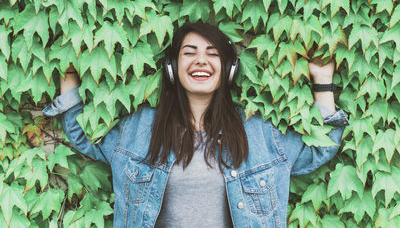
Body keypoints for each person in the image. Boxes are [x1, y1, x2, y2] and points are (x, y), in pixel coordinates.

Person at [43, 22, 349, 228]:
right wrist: (68, 72)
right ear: (172, 69)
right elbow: (85, 137)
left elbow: (318, 150)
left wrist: (322, 81)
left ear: (229, 71)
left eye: (212, 54)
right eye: (189, 53)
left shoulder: (258, 131)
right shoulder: (139, 130)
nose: (200, 60)